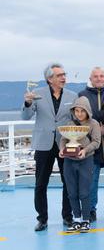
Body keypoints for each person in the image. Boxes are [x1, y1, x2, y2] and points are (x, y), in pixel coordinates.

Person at [23, 62, 76, 232]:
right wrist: (27, 103)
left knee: (68, 182)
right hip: (43, 144)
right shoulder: (36, 94)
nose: (63, 78)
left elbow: (77, 118)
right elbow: (25, 117)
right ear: (50, 79)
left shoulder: (72, 95)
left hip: (64, 143)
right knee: (40, 184)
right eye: (60, 75)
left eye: (64, 74)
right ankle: (42, 219)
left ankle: (68, 217)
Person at [78, 67, 104, 222]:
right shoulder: (82, 96)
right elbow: (80, 119)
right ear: (91, 78)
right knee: (91, 179)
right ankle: (91, 210)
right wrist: (97, 129)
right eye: (95, 76)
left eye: (101, 76)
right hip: (91, 145)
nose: (98, 78)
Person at [60, 97, 101, 233]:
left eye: (82, 111)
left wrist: (85, 150)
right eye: (76, 111)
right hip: (69, 161)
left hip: (86, 161)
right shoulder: (70, 123)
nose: (79, 114)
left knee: (84, 192)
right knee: (71, 192)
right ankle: (76, 219)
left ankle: (86, 220)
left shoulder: (93, 124)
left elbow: (96, 142)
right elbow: (63, 139)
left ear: (87, 111)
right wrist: (62, 150)